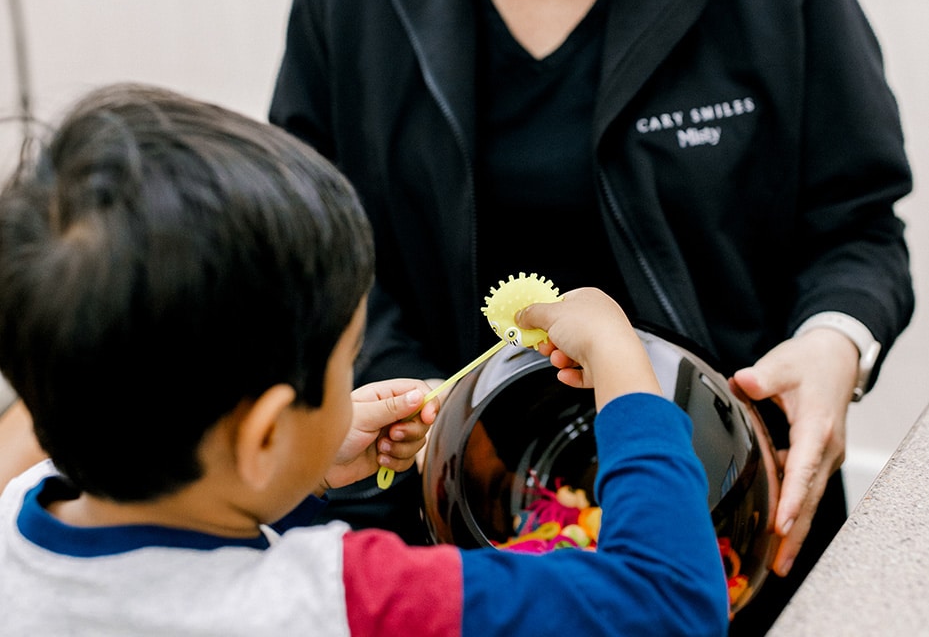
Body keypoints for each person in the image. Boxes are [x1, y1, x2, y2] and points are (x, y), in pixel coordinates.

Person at [268, 0, 914, 631]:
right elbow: (316, 248)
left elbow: (858, 229)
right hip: (444, 543)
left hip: (720, 523)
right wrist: (421, 411)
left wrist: (834, 341)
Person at [0, 82, 728, 636]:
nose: (352, 377)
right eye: (347, 359)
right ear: (262, 434)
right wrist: (619, 360)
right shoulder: (344, 601)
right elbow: (668, 603)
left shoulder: (15, 517)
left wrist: (306, 465)